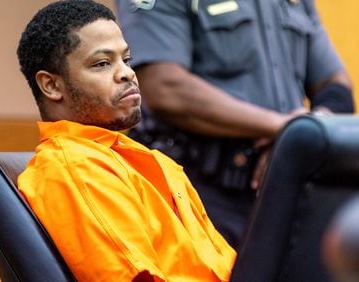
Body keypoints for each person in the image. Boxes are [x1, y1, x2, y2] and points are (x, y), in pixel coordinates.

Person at [16, 1, 235, 280]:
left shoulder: (147, 160)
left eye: (127, 59)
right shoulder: (75, 169)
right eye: (103, 63)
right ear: (52, 85)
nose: (127, 73)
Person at [115, 0, 355, 248]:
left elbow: (335, 83)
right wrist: (285, 130)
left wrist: (314, 124)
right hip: (197, 194)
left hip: (283, 186)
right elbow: (163, 87)